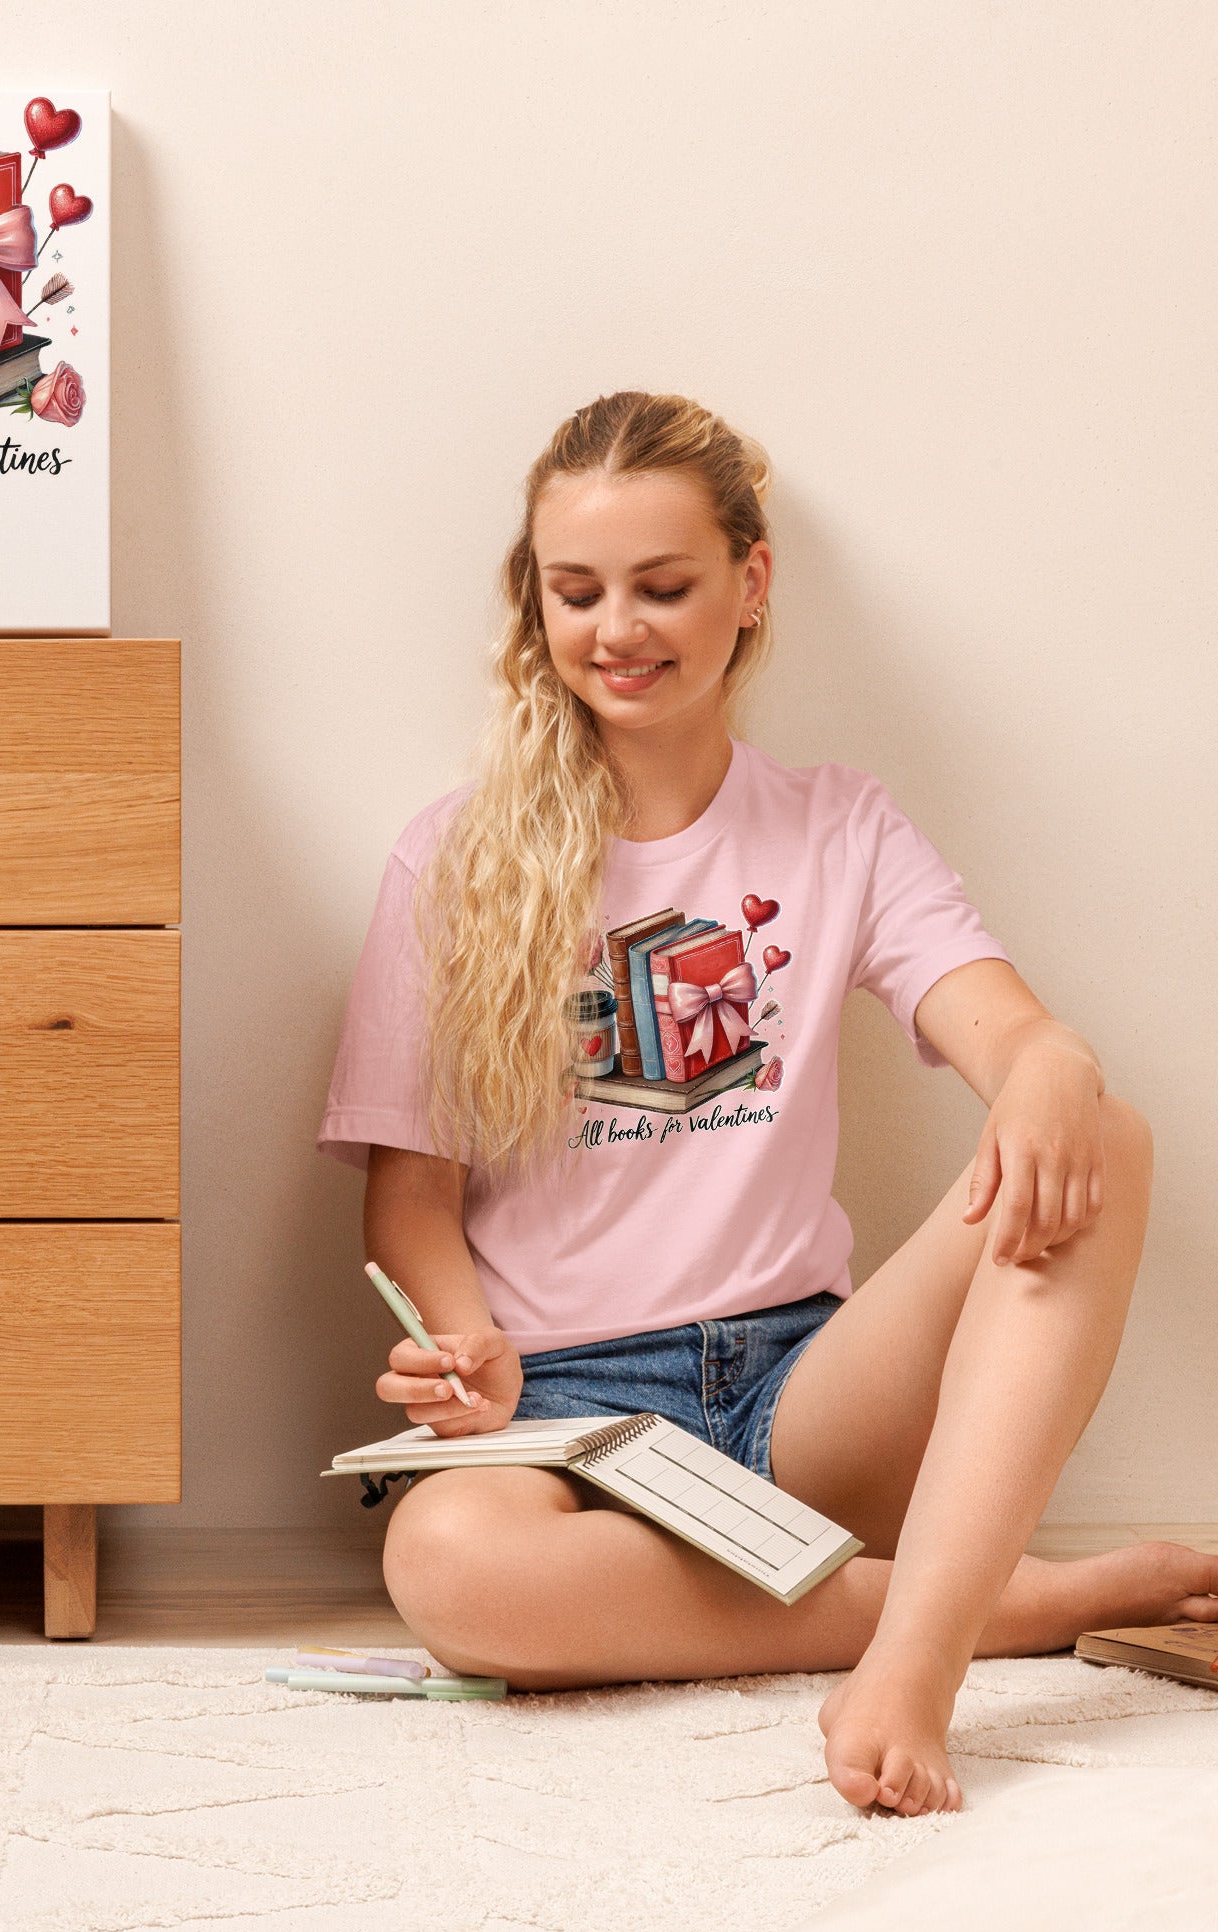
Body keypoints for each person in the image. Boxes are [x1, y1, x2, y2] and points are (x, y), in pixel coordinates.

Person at [317, 390, 1216, 1817]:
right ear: (534, 604)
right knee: (445, 1566)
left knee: (1099, 1133)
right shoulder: (452, 859)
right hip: (569, 1420)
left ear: (751, 583)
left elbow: (1001, 1023)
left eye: (664, 586)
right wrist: (463, 1338)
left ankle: (913, 1662)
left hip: (806, 1401)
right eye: (578, 590)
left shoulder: (835, 825)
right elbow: (411, 1194)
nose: (620, 629)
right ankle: (1010, 1603)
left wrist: (1047, 1061)